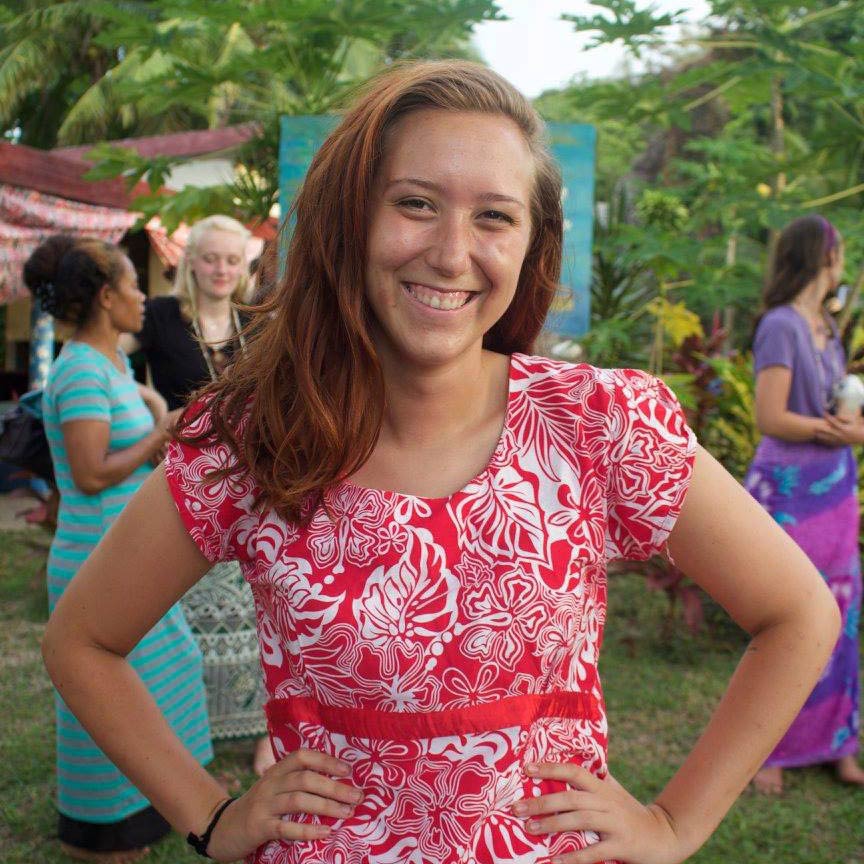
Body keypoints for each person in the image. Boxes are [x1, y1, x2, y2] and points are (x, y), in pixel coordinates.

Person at [43, 62, 840, 864]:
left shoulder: (599, 424)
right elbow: (81, 641)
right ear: (348, 220)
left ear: (532, 247)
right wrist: (213, 818)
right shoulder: (254, 439)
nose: (453, 253)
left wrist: (675, 825)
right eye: (415, 203)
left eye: (495, 217)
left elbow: (800, 614)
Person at [25, 236, 212, 862]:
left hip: (123, 556)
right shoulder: (79, 369)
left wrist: (157, 413)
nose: (144, 299)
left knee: (166, 676)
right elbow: (88, 473)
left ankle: (140, 814)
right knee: (101, 707)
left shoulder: (107, 366)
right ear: (107, 297)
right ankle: (102, 837)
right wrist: (160, 432)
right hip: (92, 558)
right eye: (134, 286)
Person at [120, 215, 272, 774]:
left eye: (232, 261)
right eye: (210, 259)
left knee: (255, 608)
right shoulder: (161, 316)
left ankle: (262, 731)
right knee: (181, 608)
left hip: (245, 483)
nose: (221, 270)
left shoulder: (253, 321)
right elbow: (100, 357)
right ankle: (189, 722)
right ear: (190, 262)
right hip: (177, 483)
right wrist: (153, 410)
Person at [744, 214, 864, 795]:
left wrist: (851, 430)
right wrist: (830, 431)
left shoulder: (827, 327)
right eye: (838, 251)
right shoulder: (782, 325)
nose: (842, 261)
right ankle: (770, 748)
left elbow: (836, 409)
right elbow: (770, 417)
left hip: (835, 488)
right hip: (790, 492)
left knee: (842, 616)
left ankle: (838, 742)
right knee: (787, 616)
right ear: (823, 256)